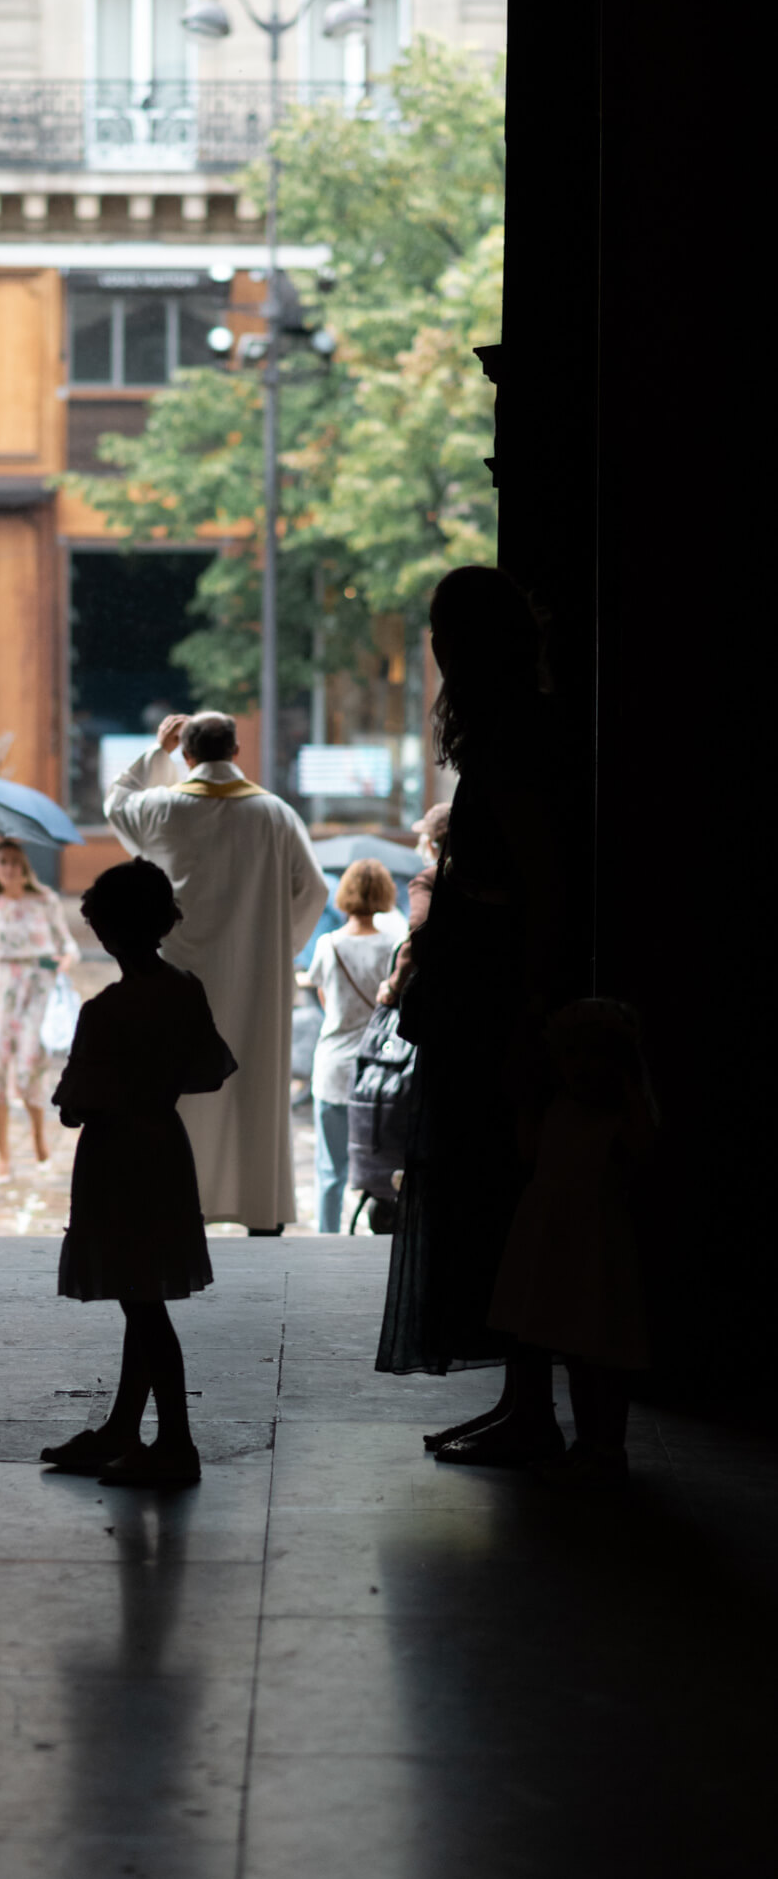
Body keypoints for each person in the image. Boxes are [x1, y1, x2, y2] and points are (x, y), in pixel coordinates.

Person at [376, 566, 571, 1465]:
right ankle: (521, 1399)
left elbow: (536, 882)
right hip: (484, 994)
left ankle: (528, 1406)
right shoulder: (516, 732)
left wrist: (530, 1008)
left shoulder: (508, 742)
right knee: (493, 1194)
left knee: (494, 1192)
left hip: (494, 1001)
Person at [39, 859, 236, 1486]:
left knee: (143, 1305)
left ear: (107, 930)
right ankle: (126, 1427)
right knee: (142, 1293)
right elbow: (208, 1070)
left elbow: (74, 1107)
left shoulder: (106, 1010)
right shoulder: (186, 987)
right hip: (164, 1146)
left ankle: (175, 1441)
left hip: (117, 1158)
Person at [104, 711, 327, 1235]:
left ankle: (176, 1206)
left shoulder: (162, 808)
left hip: (179, 977)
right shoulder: (274, 814)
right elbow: (314, 889)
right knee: (252, 1089)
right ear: (237, 750)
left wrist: (155, 752)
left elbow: (117, 802)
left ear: (186, 754)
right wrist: (279, 946)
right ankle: (259, 1212)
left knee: (180, 1092)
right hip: (256, 980)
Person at [488, 999, 655, 1489]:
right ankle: (588, 1445)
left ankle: (608, 1449)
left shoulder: (618, 1118)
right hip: (558, 1241)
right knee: (577, 1353)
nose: (583, 1069)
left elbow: (645, 1149)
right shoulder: (561, 1107)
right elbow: (531, 1153)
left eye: (596, 1058)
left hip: (596, 1248)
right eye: (572, 1058)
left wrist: (630, 1095)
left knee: (603, 1353)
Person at [0, 839, 79, 1176]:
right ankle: (2, 1155)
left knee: (28, 1067)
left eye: (13, 861)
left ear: (23, 867)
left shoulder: (44, 901)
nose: (7, 868)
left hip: (36, 988)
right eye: (1, 862)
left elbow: (68, 945)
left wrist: (63, 962)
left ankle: (39, 1139)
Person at [306, 859, 400, 1232]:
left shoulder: (328, 946)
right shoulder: (394, 946)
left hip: (333, 1066)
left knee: (330, 1170)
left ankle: (326, 1239)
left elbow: (326, 1000)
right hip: (379, 1070)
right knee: (383, 1166)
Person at [377, 802, 450, 1010]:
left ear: (430, 844)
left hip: (440, 996)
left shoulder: (428, 881)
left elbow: (419, 930)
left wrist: (393, 986)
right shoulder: (482, 877)